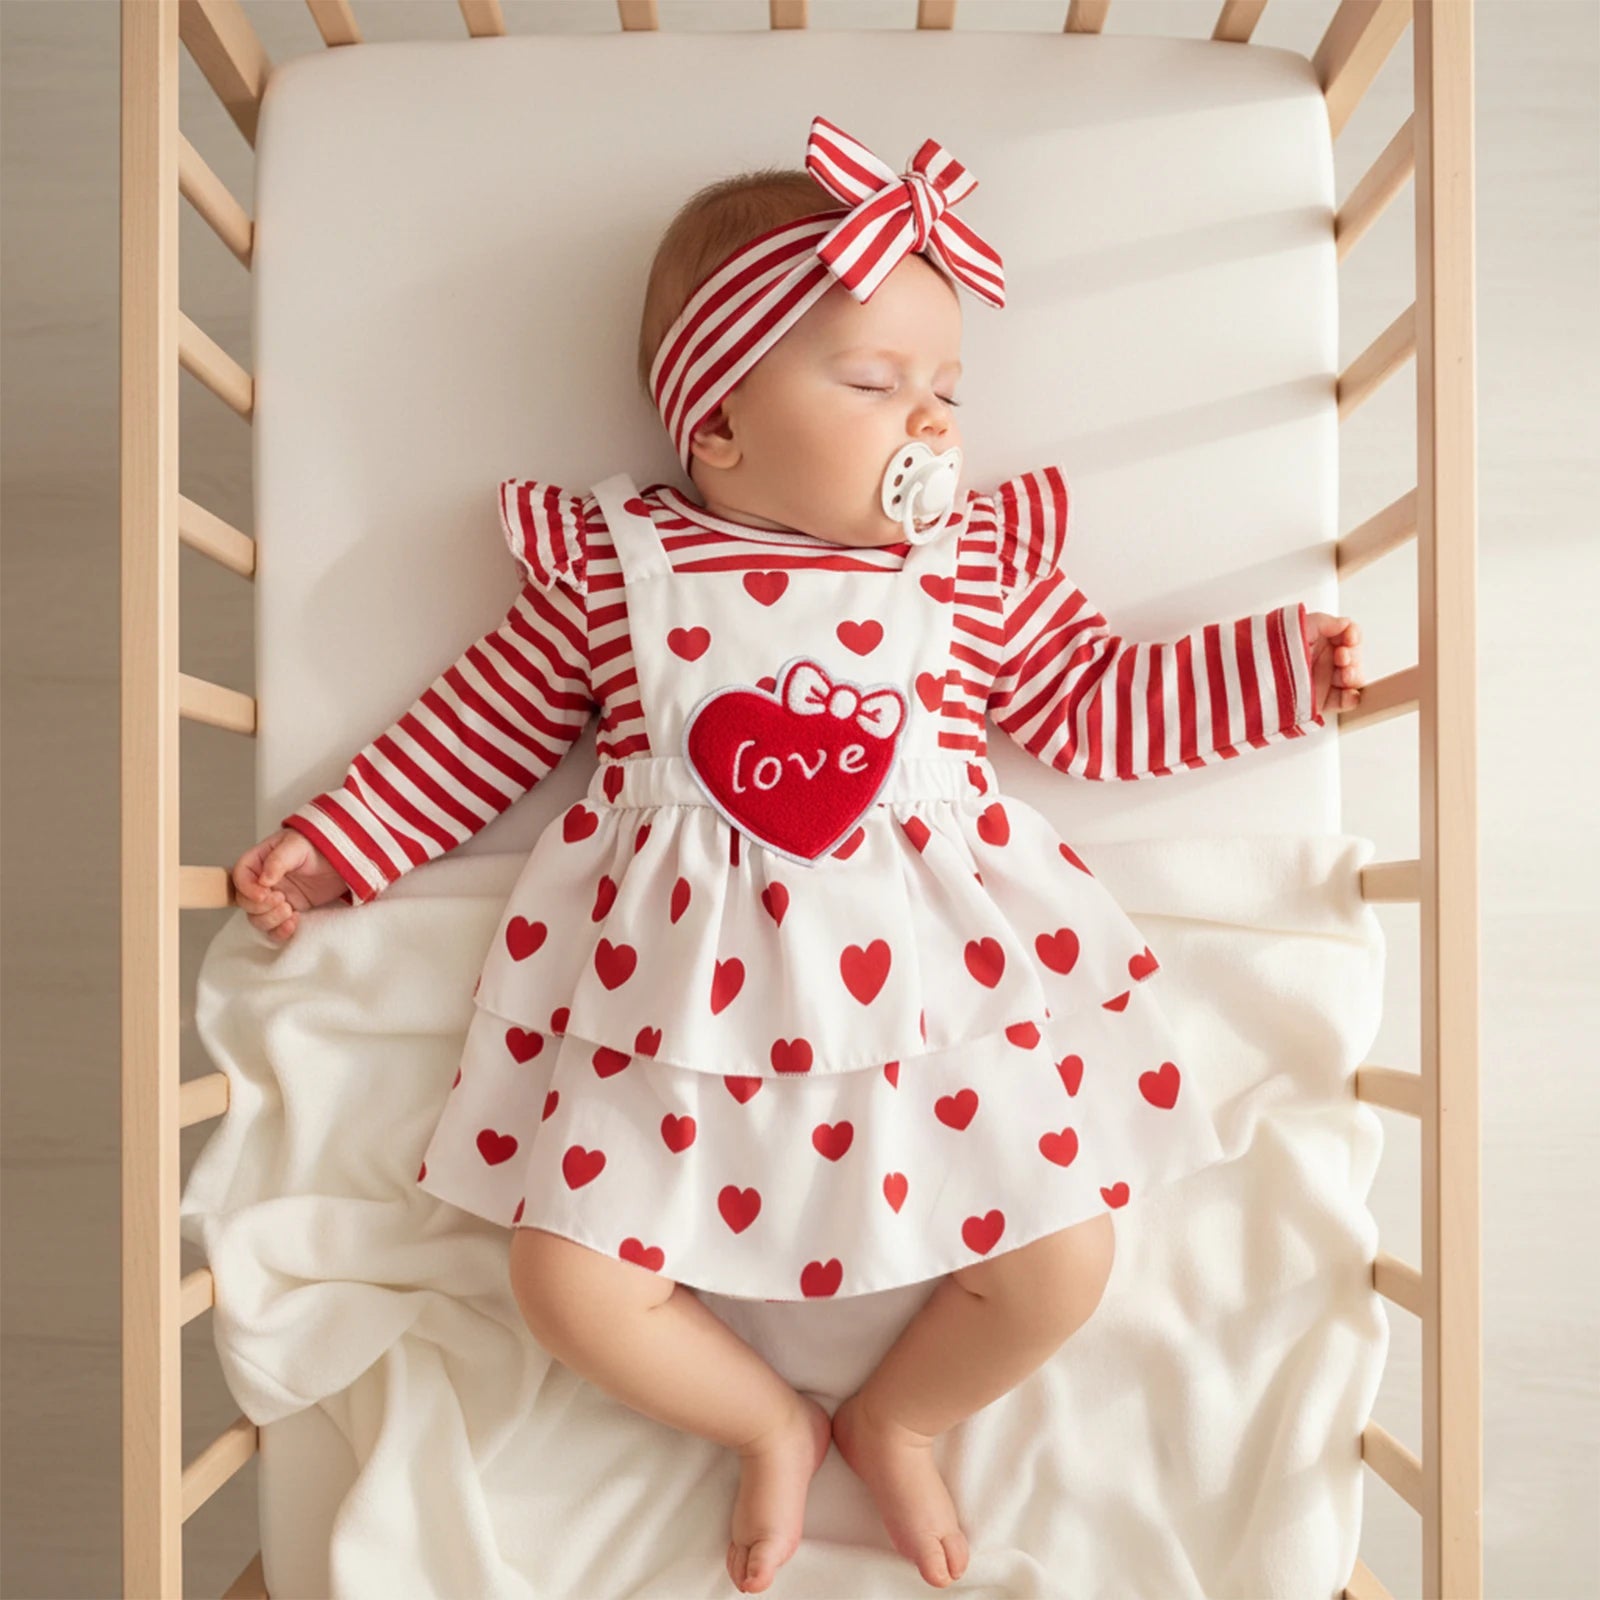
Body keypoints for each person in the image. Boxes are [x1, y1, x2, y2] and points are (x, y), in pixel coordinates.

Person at [231, 115, 1366, 1595]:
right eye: (877, 383)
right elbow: (481, 731)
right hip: (671, 1021)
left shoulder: (964, 572)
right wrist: (340, 845)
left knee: (1063, 1266)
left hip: (940, 1010)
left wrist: (1269, 673)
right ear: (717, 426)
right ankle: (766, 1422)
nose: (935, 424)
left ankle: (902, 1414)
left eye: (949, 387)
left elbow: (1088, 702)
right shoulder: (618, 570)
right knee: (565, 1282)